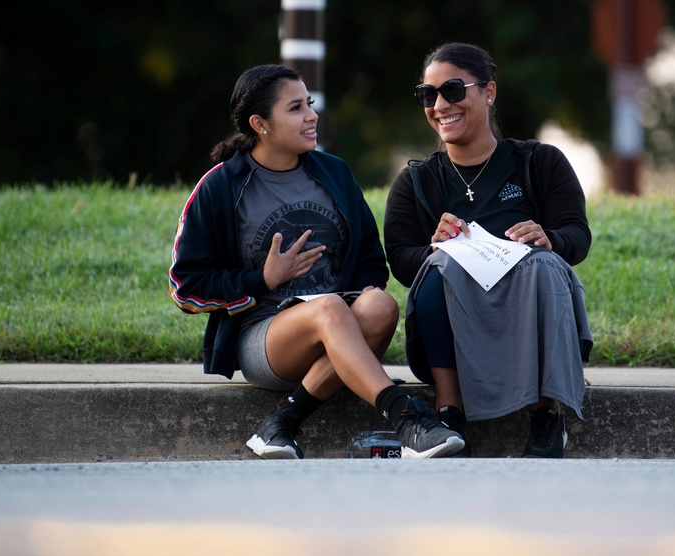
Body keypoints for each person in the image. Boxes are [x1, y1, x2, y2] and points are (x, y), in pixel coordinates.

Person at [169, 64, 464, 460]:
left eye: (309, 103)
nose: (311, 115)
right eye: (295, 108)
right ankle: (407, 419)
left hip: (340, 325)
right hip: (266, 338)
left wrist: (359, 292)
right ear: (260, 124)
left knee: (379, 304)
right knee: (329, 308)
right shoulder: (221, 187)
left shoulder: (334, 173)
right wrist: (263, 279)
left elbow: (370, 262)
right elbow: (186, 288)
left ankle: (282, 424)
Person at [384, 43, 593, 458]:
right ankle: (449, 410)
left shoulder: (539, 162)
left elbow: (577, 236)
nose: (441, 105)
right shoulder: (417, 182)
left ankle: (547, 416)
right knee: (439, 266)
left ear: (489, 92)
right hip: (455, 310)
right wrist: (432, 246)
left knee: (545, 266)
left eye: (454, 90)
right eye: (429, 95)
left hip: (524, 303)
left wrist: (549, 238)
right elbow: (402, 262)